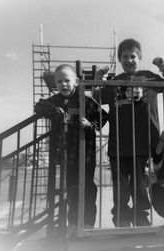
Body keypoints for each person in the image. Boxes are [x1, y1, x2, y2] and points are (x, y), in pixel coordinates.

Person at [94, 38, 164, 227]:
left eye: (133, 56)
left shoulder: (149, 76)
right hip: (119, 143)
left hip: (144, 140)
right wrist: (100, 79)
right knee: (120, 184)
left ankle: (141, 215)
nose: (129, 60)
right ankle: (122, 216)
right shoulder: (114, 81)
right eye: (124, 57)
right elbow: (98, 97)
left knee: (140, 183)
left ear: (140, 57)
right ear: (119, 60)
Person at [34, 64, 108, 232]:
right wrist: (55, 110)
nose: (63, 84)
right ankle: (73, 223)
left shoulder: (86, 100)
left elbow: (104, 116)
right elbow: (38, 106)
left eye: (67, 80)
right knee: (72, 190)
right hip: (66, 155)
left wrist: (90, 124)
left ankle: (88, 223)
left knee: (87, 188)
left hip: (85, 155)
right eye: (59, 81)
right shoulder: (56, 100)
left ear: (76, 81)